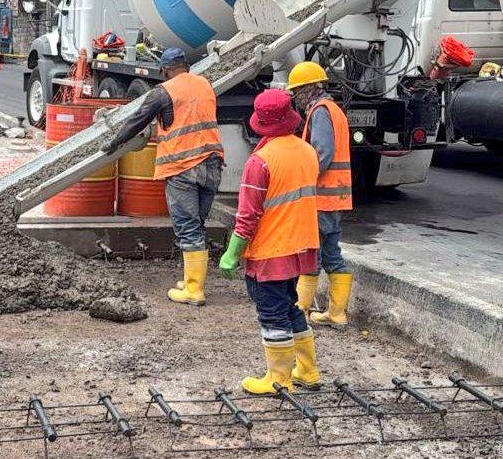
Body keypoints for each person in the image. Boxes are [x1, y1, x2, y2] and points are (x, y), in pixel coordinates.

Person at [219, 88, 321, 394]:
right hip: (301, 247)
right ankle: (308, 371)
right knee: (290, 307)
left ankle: (278, 379)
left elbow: (248, 216)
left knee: (272, 313)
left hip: (271, 251)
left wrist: (232, 253)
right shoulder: (307, 150)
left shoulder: (260, 162)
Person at [105, 47, 224, 306]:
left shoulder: (163, 92)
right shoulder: (205, 84)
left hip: (183, 166)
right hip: (212, 163)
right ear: (187, 66)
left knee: (187, 227)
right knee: (198, 225)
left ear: (165, 70)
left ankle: (193, 290)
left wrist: (113, 143)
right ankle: (193, 280)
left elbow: (137, 121)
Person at [286, 62, 354, 327]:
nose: (295, 97)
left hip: (322, 196)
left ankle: (300, 309)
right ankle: (336, 313)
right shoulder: (330, 109)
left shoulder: (321, 111)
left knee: (312, 252)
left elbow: (322, 154)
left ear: (309, 88)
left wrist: (303, 178)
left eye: (297, 91)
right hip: (333, 197)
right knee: (330, 253)